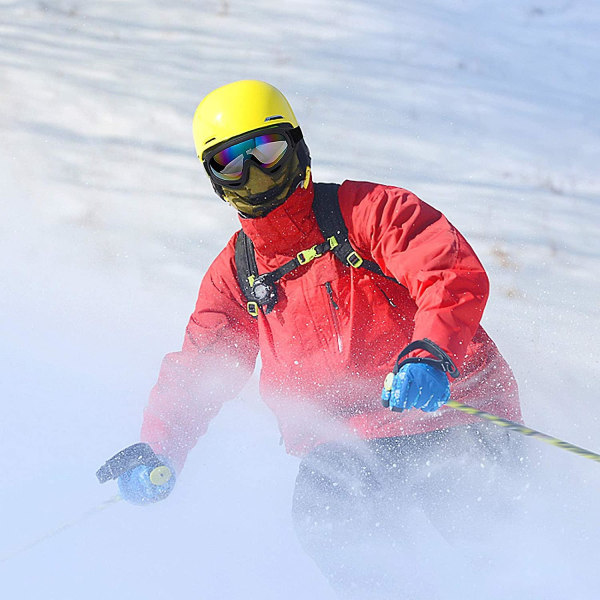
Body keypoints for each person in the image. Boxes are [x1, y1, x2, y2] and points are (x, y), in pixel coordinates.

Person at [99, 80, 525, 598]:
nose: (255, 174)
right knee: (326, 522)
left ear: (297, 146)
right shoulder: (238, 273)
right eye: (232, 163)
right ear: (214, 178)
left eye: (268, 151)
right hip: (345, 437)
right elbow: (201, 366)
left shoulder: (370, 212)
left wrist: (429, 352)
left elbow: (447, 273)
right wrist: (160, 446)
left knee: (480, 522)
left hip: (448, 410)